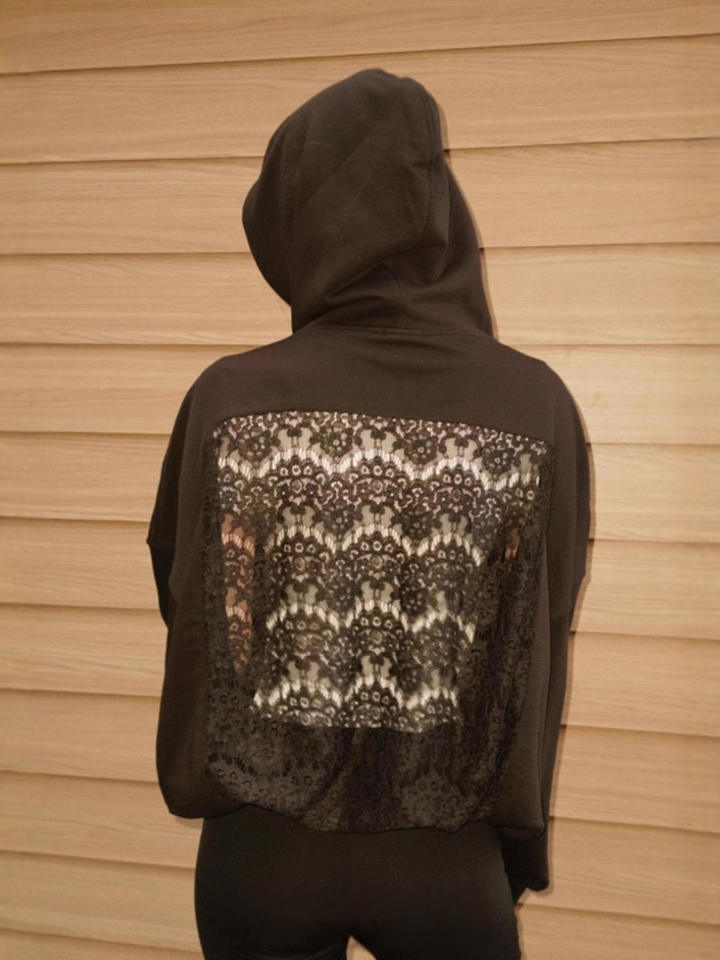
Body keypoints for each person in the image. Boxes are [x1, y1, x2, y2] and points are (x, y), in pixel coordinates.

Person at [146, 67, 591, 960]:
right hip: (445, 856)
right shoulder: (533, 405)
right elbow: (538, 631)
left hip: (260, 850)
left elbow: (189, 596)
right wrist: (513, 845)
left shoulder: (230, 400)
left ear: (296, 223)